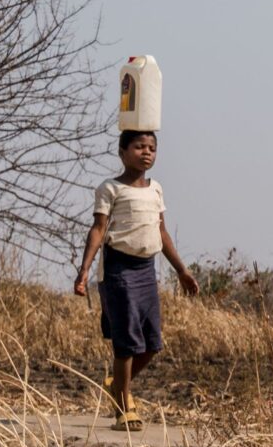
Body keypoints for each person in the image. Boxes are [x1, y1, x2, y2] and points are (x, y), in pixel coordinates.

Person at [72, 129, 199, 430]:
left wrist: (182, 270)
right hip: (119, 269)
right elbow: (98, 230)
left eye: (152, 148)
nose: (146, 152)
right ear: (122, 151)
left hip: (146, 269)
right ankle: (122, 408)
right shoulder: (110, 189)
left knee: (152, 342)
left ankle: (117, 383)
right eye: (139, 146)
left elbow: (161, 232)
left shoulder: (155, 189)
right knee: (126, 342)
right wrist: (84, 269)